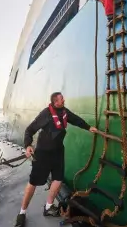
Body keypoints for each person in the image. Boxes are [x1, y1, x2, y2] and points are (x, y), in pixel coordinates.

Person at [14, 92, 97, 227]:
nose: (64, 99)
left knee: (58, 180)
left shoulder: (64, 112)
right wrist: (28, 145)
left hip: (58, 152)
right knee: (33, 183)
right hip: (42, 153)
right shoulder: (45, 114)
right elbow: (30, 130)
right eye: (61, 98)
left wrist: (88, 127)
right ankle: (22, 213)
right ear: (55, 102)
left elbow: (76, 120)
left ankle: (48, 207)